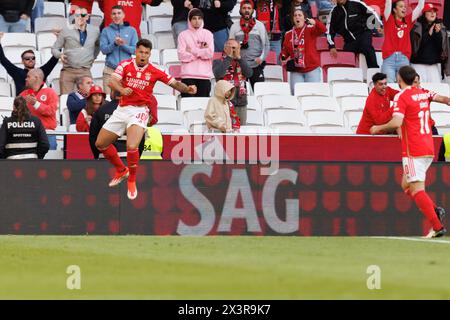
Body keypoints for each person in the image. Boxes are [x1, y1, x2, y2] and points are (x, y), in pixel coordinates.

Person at [95, 39, 197, 200]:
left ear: (150, 54)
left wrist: (188, 89)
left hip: (139, 110)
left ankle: (132, 179)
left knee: (132, 145)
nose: (143, 55)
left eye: (146, 53)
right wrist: (122, 89)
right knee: (100, 144)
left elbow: (175, 84)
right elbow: (111, 81)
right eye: (141, 52)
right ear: (136, 51)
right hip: (121, 110)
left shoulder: (155, 71)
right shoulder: (125, 65)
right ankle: (122, 170)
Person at [370, 66, 448, 238]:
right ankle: (434, 209)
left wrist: (377, 128)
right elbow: (444, 99)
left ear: (399, 80)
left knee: (416, 189)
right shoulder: (423, 93)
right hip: (428, 146)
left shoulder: (401, 96)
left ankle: (436, 225)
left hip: (413, 149)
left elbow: (397, 122)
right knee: (406, 184)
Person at [51, 7, 100, 94]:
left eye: (83, 15)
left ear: (87, 17)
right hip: (68, 70)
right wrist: (60, 55)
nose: (80, 17)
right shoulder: (66, 30)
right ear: (74, 17)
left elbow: (98, 45)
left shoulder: (95, 31)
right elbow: (54, 48)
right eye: (77, 15)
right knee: (66, 100)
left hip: (85, 70)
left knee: (88, 100)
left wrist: (93, 56)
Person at [89, 89, 145, 159]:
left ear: (112, 93)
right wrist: (136, 156)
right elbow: (140, 137)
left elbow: (93, 137)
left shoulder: (101, 110)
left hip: (105, 157)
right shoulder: (134, 111)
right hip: (126, 156)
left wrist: (97, 155)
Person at [326, 0, 382, 69]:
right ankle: (349, 77)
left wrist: (379, 25)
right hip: (349, 41)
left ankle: (374, 72)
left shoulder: (356, 3)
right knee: (346, 60)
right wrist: (331, 46)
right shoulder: (334, 12)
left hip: (363, 34)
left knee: (367, 48)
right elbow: (329, 31)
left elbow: (371, 12)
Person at [281, 9, 326, 93]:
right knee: (296, 94)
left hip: (312, 69)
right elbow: (285, 51)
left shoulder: (310, 29)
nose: (297, 17)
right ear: (293, 19)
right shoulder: (288, 34)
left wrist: (315, 22)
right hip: (296, 71)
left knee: (313, 94)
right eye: (295, 15)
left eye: (299, 15)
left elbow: (323, 29)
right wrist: (283, 56)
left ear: (304, 18)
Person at [229, 0, 270, 88]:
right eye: (244, 8)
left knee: (260, 93)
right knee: (241, 95)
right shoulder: (234, 27)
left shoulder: (259, 25)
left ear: (253, 11)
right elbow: (230, 46)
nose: (246, 10)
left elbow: (266, 45)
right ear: (240, 10)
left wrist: (261, 58)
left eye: (249, 8)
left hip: (256, 65)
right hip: (240, 66)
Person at [381, 0, 425, 83]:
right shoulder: (388, 19)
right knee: (389, 87)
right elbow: (388, 3)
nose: (404, 8)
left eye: (405, 6)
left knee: (404, 87)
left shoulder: (408, 20)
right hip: (389, 58)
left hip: (403, 59)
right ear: (394, 9)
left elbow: (420, 7)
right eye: (401, 6)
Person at [100, 5, 138, 95]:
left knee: (126, 101)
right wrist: (114, 44)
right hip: (110, 71)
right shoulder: (106, 31)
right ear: (111, 16)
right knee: (108, 100)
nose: (116, 16)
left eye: (119, 13)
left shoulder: (132, 30)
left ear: (124, 15)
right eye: (114, 14)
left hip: (126, 72)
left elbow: (135, 50)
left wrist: (123, 45)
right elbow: (103, 50)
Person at [213, 39, 253, 124]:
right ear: (225, 48)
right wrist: (229, 58)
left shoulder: (242, 61)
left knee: (241, 129)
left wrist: (240, 59)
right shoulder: (218, 61)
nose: (234, 50)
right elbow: (219, 74)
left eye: (236, 48)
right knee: (225, 128)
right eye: (231, 47)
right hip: (224, 101)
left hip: (241, 100)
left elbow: (249, 73)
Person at [177, 8, 214, 97]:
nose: (197, 21)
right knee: (187, 106)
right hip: (187, 77)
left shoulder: (208, 34)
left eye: (199, 18)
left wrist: (192, 51)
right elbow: (181, 55)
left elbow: (209, 53)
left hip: (204, 77)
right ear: (189, 20)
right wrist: (201, 52)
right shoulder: (183, 35)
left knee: (202, 107)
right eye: (194, 18)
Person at [19, 69, 59, 150]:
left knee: (49, 160)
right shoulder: (23, 94)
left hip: (47, 133)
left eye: (28, 77)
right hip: (28, 133)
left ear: (36, 78)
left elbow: (51, 111)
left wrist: (36, 104)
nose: (26, 79)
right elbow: (16, 113)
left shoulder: (50, 92)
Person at [411, 4, 446, 83]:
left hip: (433, 65)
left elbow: (441, 48)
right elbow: (415, 47)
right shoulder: (417, 26)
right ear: (424, 14)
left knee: (435, 89)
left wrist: (437, 33)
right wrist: (428, 34)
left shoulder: (440, 26)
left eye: (434, 12)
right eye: (430, 11)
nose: (433, 13)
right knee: (419, 91)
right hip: (418, 64)